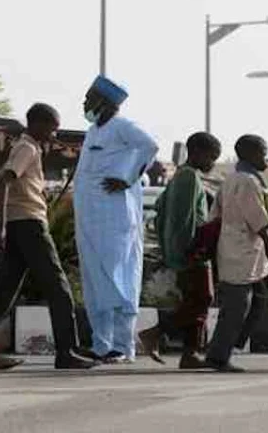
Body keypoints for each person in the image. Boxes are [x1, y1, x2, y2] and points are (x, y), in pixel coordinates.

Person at [0, 104, 95, 370]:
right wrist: (0, 225)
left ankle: (68, 349)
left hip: (20, 224)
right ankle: (66, 351)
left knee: (4, 291)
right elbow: (4, 179)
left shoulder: (28, 147)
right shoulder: (26, 148)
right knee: (58, 288)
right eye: (52, 126)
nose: (54, 132)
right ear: (37, 124)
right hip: (28, 224)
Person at [74, 77, 158, 364]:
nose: (84, 104)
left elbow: (150, 146)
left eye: (89, 99)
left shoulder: (123, 126)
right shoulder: (92, 132)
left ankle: (123, 346)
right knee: (95, 281)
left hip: (115, 218)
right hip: (88, 218)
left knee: (118, 278)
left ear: (105, 102)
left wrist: (128, 178)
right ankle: (101, 346)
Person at [138, 132, 222, 369]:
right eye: (211, 157)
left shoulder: (182, 176)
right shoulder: (188, 178)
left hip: (188, 252)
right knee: (203, 298)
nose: (212, 163)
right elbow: (183, 220)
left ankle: (190, 353)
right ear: (196, 152)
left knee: (195, 301)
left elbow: (160, 211)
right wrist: (190, 252)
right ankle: (156, 332)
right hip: (192, 252)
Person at [205, 135, 268, 373]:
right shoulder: (247, 181)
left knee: (259, 298)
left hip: (239, 250)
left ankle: (228, 345)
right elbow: (258, 221)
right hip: (239, 251)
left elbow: (215, 215)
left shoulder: (232, 179)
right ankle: (219, 355)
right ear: (250, 154)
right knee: (237, 306)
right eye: (263, 153)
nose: (267, 158)